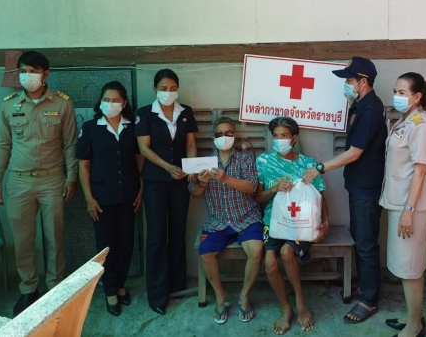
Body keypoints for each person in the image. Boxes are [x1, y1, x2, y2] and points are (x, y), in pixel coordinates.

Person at [0, 50, 78, 316]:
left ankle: (55, 288)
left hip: (52, 179)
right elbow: (3, 145)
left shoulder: (62, 103)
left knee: (55, 238)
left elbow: (70, 144)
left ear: (45, 74)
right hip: (19, 182)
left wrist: (71, 177)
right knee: (23, 240)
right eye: (23, 71)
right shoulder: (9, 105)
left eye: (33, 71)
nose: (27, 76)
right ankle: (28, 289)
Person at [302, 56, 387, 324]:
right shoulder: (361, 106)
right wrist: (352, 104)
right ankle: (367, 286)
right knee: (360, 237)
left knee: (365, 242)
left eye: (350, 80)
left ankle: (369, 300)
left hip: (366, 187)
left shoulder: (370, 111)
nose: (346, 85)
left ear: (363, 82)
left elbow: (354, 153)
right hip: (359, 183)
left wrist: (320, 168)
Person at [256, 117, 329, 335]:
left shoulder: (307, 163)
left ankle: (300, 302)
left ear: (294, 138)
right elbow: (258, 197)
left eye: (284, 136)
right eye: (276, 136)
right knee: (270, 263)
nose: (279, 140)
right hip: (273, 221)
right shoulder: (263, 161)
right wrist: (274, 188)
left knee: (287, 252)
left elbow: (320, 196)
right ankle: (286, 308)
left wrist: (325, 223)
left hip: (302, 223)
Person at [76, 81, 144, 316]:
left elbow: (140, 160)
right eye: (107, 99)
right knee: (106, 245)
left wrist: (141, 189)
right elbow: (83, 166)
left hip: (128, 195)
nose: (111, 104)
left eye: (116, 100)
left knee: (126, 242)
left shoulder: (132, 127)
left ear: (124, 103)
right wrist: (88, 199)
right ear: (100, 102)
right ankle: (110, 291)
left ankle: (120, 284)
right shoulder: (90, 127)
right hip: (101, 197)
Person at [135, 69, 198, 315]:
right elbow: (144, 148)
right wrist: (168, 167)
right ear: (155, 89)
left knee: (179, 230)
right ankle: (157, 293)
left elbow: (190, 144)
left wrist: (191, 168)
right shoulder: (145, 114)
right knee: (157, 235)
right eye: (163, 88)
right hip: (155, 182)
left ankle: (177, 283)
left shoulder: (186, 112)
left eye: (173, 88)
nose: (168, 92)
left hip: (180, 181)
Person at [379, 72, 426, 337]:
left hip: (411, 206)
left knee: (410, 266)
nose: (396, 96)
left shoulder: (421, 125)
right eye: (395, 91)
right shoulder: (407, 120)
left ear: (417, 96)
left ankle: (415, 326)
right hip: (400, 202)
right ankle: (411, 316)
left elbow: (420, 171)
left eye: (402, 93)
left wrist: (408, 211)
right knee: (406, 265)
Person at [189, 117, 263, 324]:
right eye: (219, 134)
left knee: (257, 251)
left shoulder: (244, 159)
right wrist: (201, 183)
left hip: (246, 217)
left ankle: (244, 295)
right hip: (218, 220)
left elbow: (252, 187)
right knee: (205, 253)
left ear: (235, 135)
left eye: (228, 133)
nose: (224, 137)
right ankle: (220, 295)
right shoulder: (204, 162)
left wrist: (225, 178)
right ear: (213, 137)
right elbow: (194, 193)